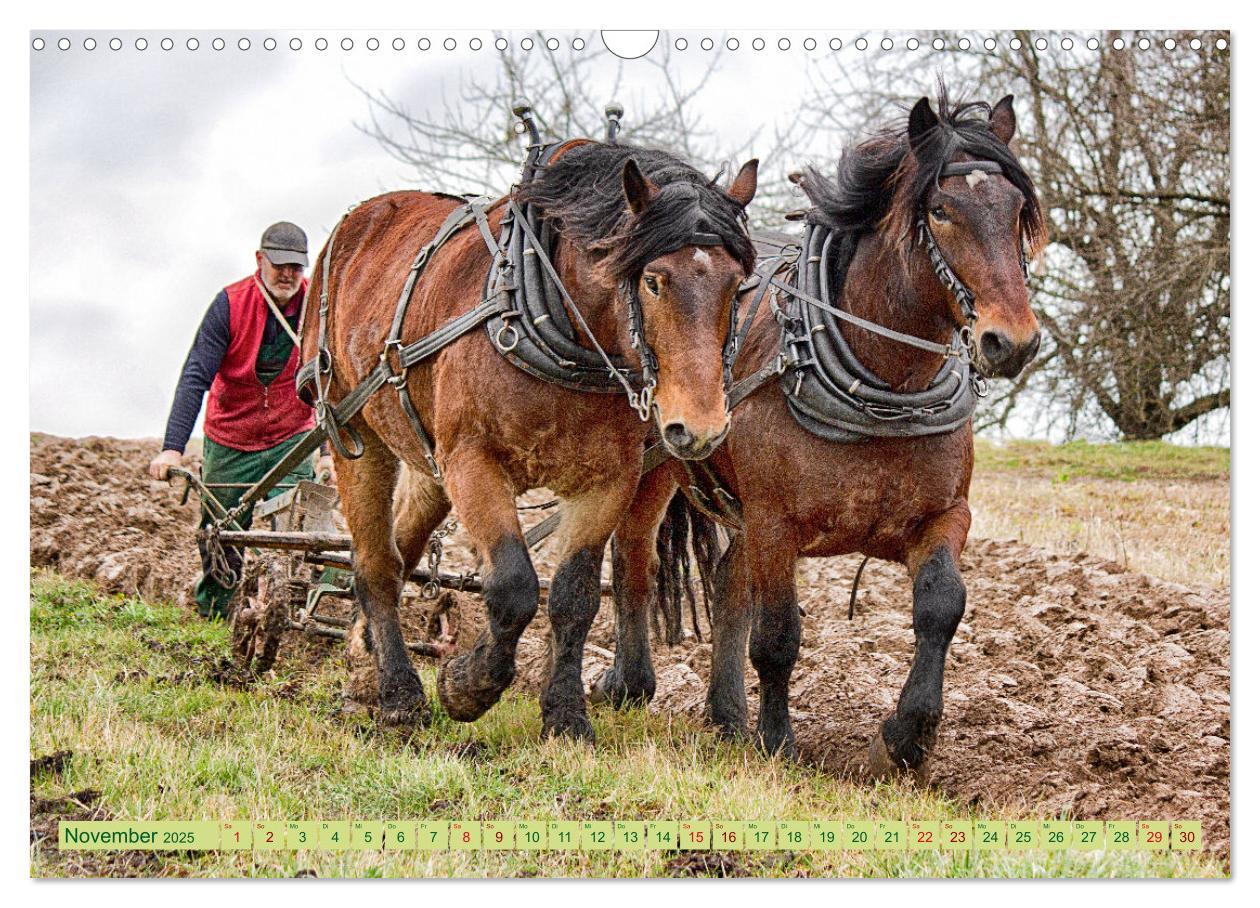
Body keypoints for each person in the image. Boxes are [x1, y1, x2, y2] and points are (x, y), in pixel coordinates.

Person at [149, 222, 334, 619]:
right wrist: (172, 448)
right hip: (232, 436)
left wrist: (326, 452)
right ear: (259, 260)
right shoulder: (229, 305)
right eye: (279, 265)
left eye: (296, 268)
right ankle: (216, 610)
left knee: (298, 526)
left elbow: (327, 381)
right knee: (221, 531)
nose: (287, 275)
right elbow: (196, 375)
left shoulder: (317, 308)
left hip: (290, 436)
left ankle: (293, 612)